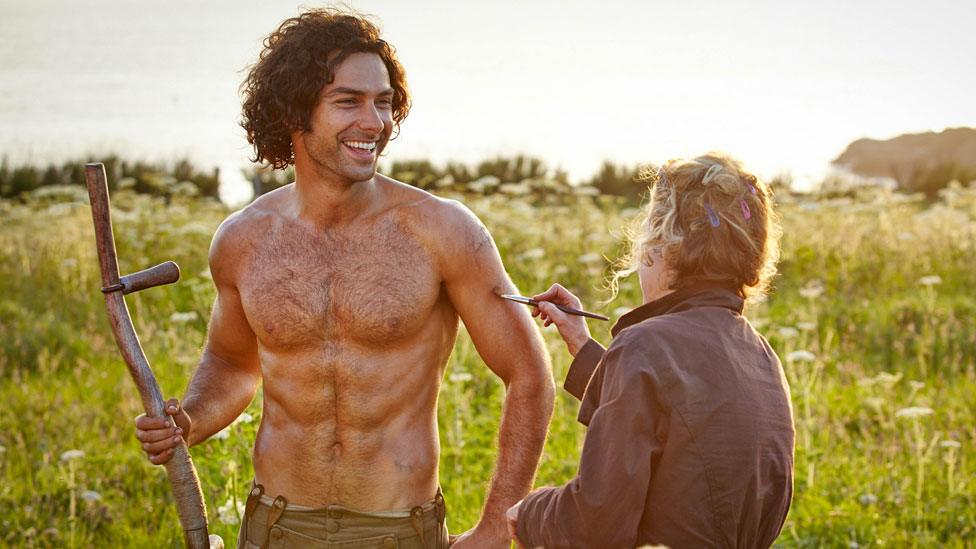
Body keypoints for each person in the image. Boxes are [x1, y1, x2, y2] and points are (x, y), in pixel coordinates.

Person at [133, 9, 554, 548]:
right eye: (348, 101)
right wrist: (188, 420)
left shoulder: (443, 231)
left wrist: (498, 525)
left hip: (398, 530)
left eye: (382, 102)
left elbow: (529, 373)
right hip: (275, 527)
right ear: (294, 112)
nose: (374, 122)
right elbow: (232, 364)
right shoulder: (243, 240)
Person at [507, 153, 795, 548]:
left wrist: (531, 513)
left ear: (662, 244)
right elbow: (678, 416)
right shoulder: (760, 353)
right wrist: (582, 343)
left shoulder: (645, 345)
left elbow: (595, 525)